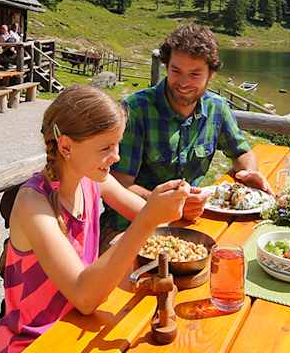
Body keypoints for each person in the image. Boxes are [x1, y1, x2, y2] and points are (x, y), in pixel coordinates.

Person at [0, 85, 190, 353]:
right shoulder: (32, 204)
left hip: (74, 327)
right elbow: (84, 296)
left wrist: (171, 199)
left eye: (118, 144)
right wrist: (148, 220)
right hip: (30, 347)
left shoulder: (92, 180)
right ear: (66, 147)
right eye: (106, 147)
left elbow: (150, 216)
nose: (117, 156)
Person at [111, 24, 266, 230]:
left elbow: (241, 151)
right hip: (129, 224)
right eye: (176, 71)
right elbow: (119, 183)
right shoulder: (136, 109)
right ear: (167, 67)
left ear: (211, 75)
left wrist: (249, 172)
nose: (183, 82)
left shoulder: (217, 108)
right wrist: (171, 206)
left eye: (194, 74)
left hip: (188, 222)